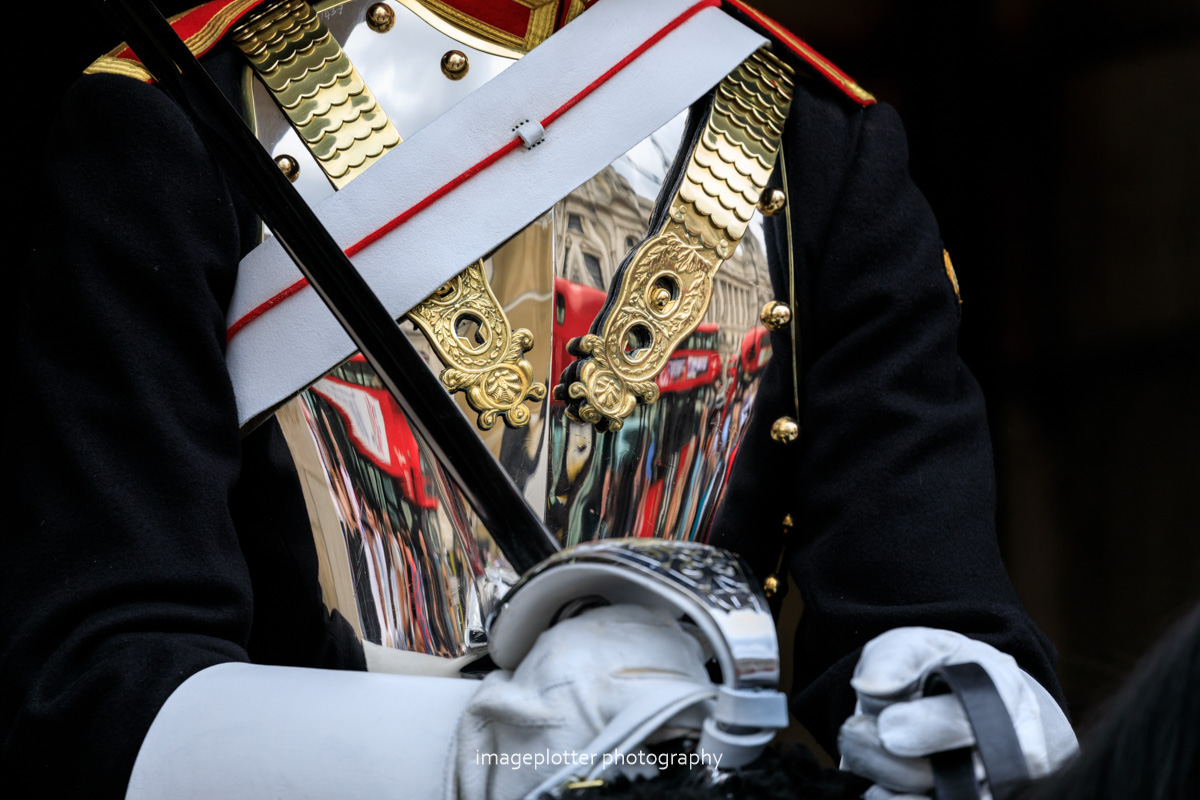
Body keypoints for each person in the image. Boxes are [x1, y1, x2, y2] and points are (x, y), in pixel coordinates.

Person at [4, 0, 1074, 796]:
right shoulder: (175, 115)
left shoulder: (814, 140)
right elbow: (100, 692)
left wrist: (955, 694)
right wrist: (489, 748)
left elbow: (926, 606)